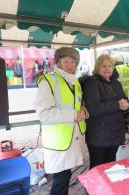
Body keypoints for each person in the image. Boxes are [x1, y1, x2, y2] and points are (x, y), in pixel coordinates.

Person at [36, 47, 89, 195]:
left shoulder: (75, 82)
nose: (70, 65)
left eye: (73, 61)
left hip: (72, 140)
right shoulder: (49, 80)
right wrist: (73, 114)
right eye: (66, 61)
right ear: (58, 62)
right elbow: (43, 114)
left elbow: (78, 105)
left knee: (64, 177)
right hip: (59, 142)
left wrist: (84, 111)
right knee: (60, 180)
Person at [82, 54, 129, 168]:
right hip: (99, 135)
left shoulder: (116, 83)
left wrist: (126, 105)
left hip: (115, 132)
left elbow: (122, 100)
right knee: (97, 167)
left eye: (110, 66)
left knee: (110, 164)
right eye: (104, 66)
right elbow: (93, 109)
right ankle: (92, 187)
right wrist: (117, 105)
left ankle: (106, 186)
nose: (107, 68)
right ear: (97, 68)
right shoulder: (92, 83)